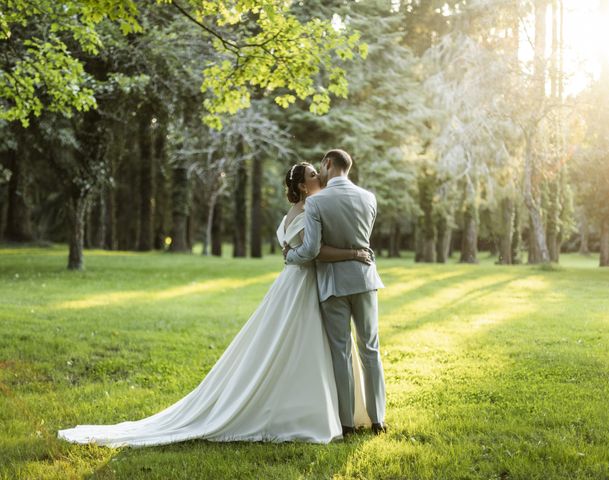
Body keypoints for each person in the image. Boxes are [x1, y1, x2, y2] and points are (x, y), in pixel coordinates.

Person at [58, 162, 371, 447]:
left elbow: (296, 247)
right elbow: (312, 251)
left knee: (296, 346)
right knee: (303, 346)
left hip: (293, 284)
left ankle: (324, 409)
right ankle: (306, 413)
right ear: (303, 186)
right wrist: (353, 253)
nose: (320, 176)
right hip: (302, 285)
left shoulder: (295, 213)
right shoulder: (310, 209)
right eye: (314, 175)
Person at [285, 149, 387, 436]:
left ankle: (346, 423)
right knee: (370, 349)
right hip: (366, 280)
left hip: (333, 285)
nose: (320, 171)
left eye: (321, 166)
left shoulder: (317, 203)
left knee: (341, 353)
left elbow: (311, 250)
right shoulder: (369, 198)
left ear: (328, 164)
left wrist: (289, 255)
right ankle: (378, 419)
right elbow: (362, 241)